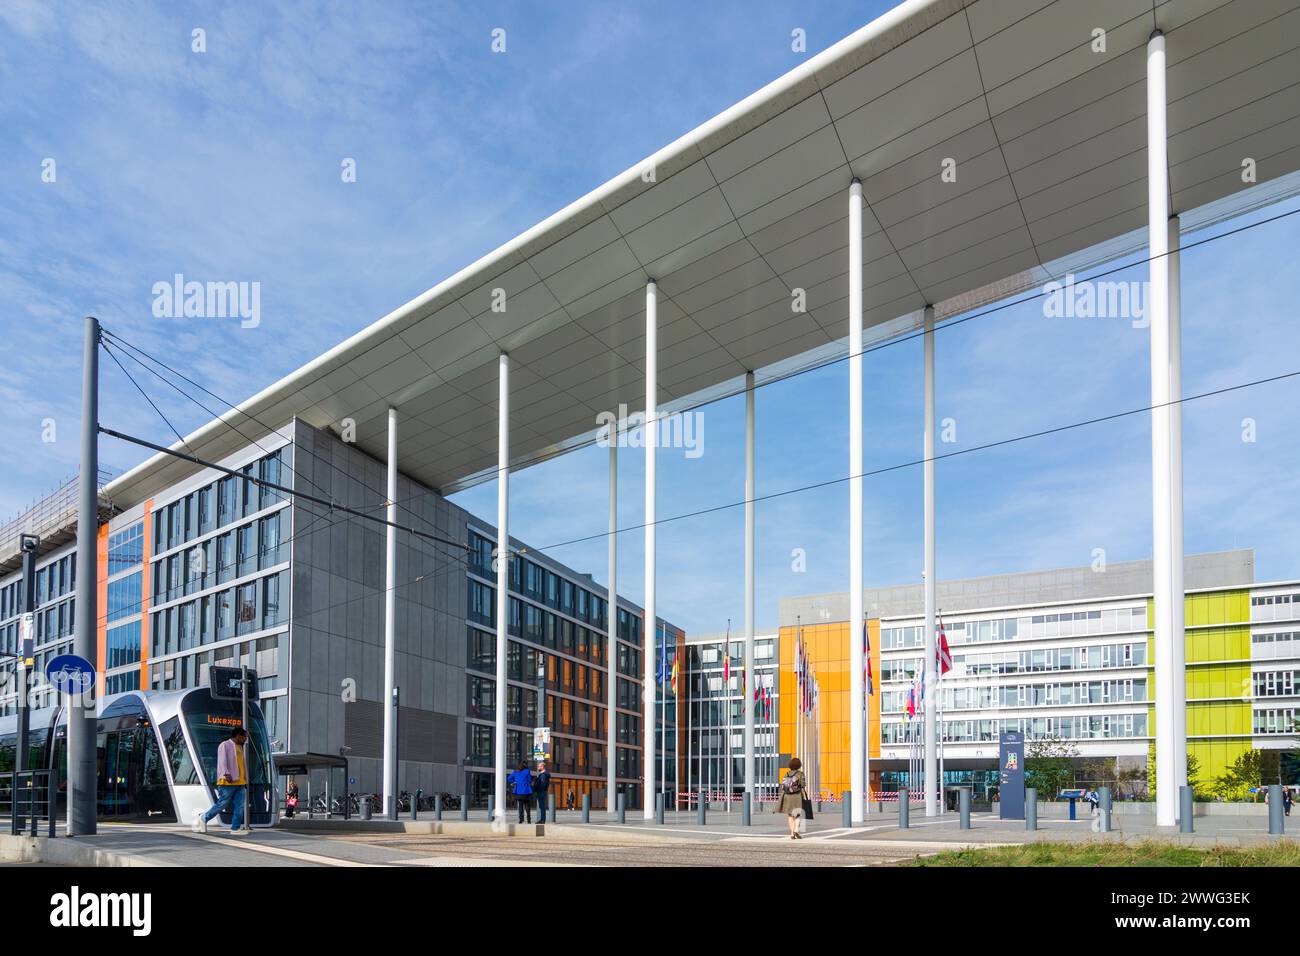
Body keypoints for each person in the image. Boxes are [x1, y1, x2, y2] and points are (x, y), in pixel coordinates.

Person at [193, 726, 250, 835]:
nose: (245, 739)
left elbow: (242, 765)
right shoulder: (225, 745)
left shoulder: (240, 747)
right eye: (244, 737)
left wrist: (245, 780)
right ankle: (203, 818)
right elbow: (222, 761)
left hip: (240, 782)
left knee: (239, 806)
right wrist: (226, 773)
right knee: (222, 804)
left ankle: (235, 828)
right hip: (227, 782)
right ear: (238, 736)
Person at [773, 757, 808, 840]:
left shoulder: (787, 773)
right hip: (797, 796)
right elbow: (803, 785)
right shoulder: (800, 774)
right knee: (798, 815)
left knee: (790, 815)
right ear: (799, 765)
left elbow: (783, 785)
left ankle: (792, 834)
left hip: (787, 796)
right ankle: (796, 830)